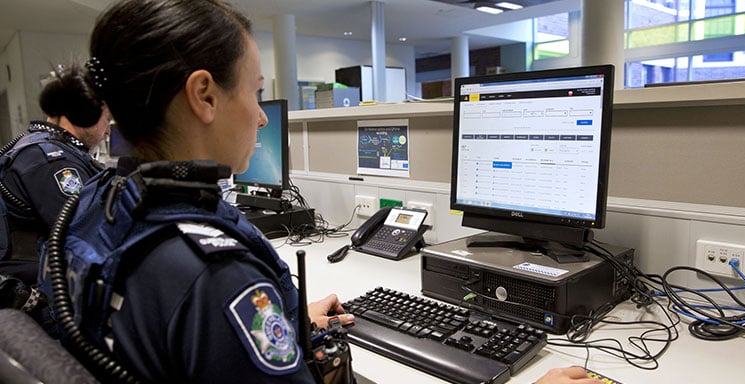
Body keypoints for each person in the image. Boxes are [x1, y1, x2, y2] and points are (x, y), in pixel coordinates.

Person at [43, 1, 602, 383]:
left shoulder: (91, 208)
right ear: (204, 95)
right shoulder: (214, 277)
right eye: (256, 92)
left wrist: (283, 318)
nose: (262, 116)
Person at [0, 65, 110, 285]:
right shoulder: (54, 163)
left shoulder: (40, 147)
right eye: (106, 119)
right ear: (82, 115)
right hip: (36, 289)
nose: (108, 130)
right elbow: (89, 236)